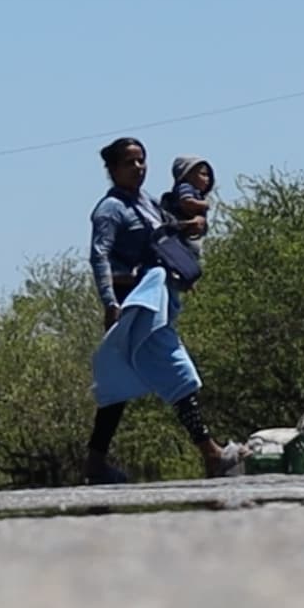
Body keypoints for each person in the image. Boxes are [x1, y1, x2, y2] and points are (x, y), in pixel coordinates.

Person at [86, 137, 244, 485]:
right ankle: (211, 453)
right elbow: (99, 255)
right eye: (129, 163)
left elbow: (161, 236)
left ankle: (95, 461)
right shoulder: (110, 209)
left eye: (141, 161)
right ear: (112, 170)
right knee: (176, 367)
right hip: (133, 302)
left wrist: (186, 233)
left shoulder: (145, 202)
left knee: (118, 382)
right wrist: (109, 302)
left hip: (154, 296)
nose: (138, 168)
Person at [161, 155, 216, 250]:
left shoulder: (197, 193)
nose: (207, 179)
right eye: (203, 174)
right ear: (187, 175)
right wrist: (204, 204)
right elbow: (186, 201)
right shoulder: (186, 187)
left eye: (208, 175)